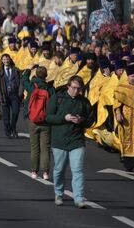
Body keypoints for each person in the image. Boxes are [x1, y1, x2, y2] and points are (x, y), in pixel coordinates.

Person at [46, 75, 94, 208]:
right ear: (68, 86)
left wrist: (81, 120)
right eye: (74, 88)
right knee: (59, 169)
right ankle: (59, 193)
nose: (76, 91)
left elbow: (91, 120)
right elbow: (48, 117)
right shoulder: (58, 98)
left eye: (79, 89)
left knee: (77, 170)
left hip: (76, 140)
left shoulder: (84, 101)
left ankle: (79, 198)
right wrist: (64, 118)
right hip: (59, 140)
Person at [22, 65, 54, 180]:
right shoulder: (49, 89)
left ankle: (34, 172)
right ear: (46, 76)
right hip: (45, 120)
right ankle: (45, 172)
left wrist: (28, 69)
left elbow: (24, 79)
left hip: (32, 119)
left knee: (34, 147)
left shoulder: (31, 86)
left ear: (36, 75)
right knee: (45, 147)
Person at [0, 54, 22, 138]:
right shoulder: (0, 72)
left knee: (15, 112)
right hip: (5, 95)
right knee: (6, 116)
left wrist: (20, 93)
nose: (6, 61)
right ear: (2, 61)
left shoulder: (16, 70)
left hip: (15, 95)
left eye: (7, 59)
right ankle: (8, 131)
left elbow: (21, 82)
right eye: (4, 59)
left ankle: (13, 127)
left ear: (10, 60)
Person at [115, 64, 134, 172]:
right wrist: (118, 113)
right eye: (132, 76)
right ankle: (129, 163)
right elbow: (117, 103)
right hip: (127, 119)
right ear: (128, 77)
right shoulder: (122, 88)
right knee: (128, 140)